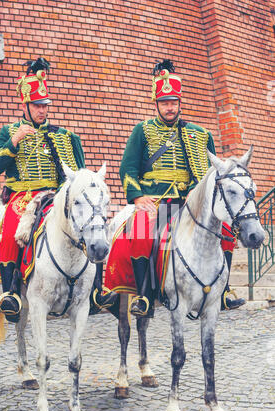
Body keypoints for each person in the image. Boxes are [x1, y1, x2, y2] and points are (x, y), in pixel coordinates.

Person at [104, 59, 245, 317]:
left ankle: (223, 292)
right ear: (156, 104)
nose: (170, 107)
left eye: (174, 102)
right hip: (156, 201)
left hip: (191, 202)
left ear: (180, 103)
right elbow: (128, 169)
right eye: (165, 103)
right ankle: (144, 296)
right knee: (141, 229)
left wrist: (196, 190)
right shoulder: (142, 131)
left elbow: (211, 173)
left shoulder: (200, 134)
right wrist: (137, 197)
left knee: (226, 227)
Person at [0, 57, 88, 322]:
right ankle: (11, 294)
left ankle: (94, 285)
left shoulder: (64, 136)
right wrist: (14, 142)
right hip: (22, 196)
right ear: (26, 105)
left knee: (84, 225)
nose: (42, 110)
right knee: (10, 231)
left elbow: (79, 171)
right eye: (37, 105)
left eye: (45, 105)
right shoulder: (10, 131)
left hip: (53, 195)